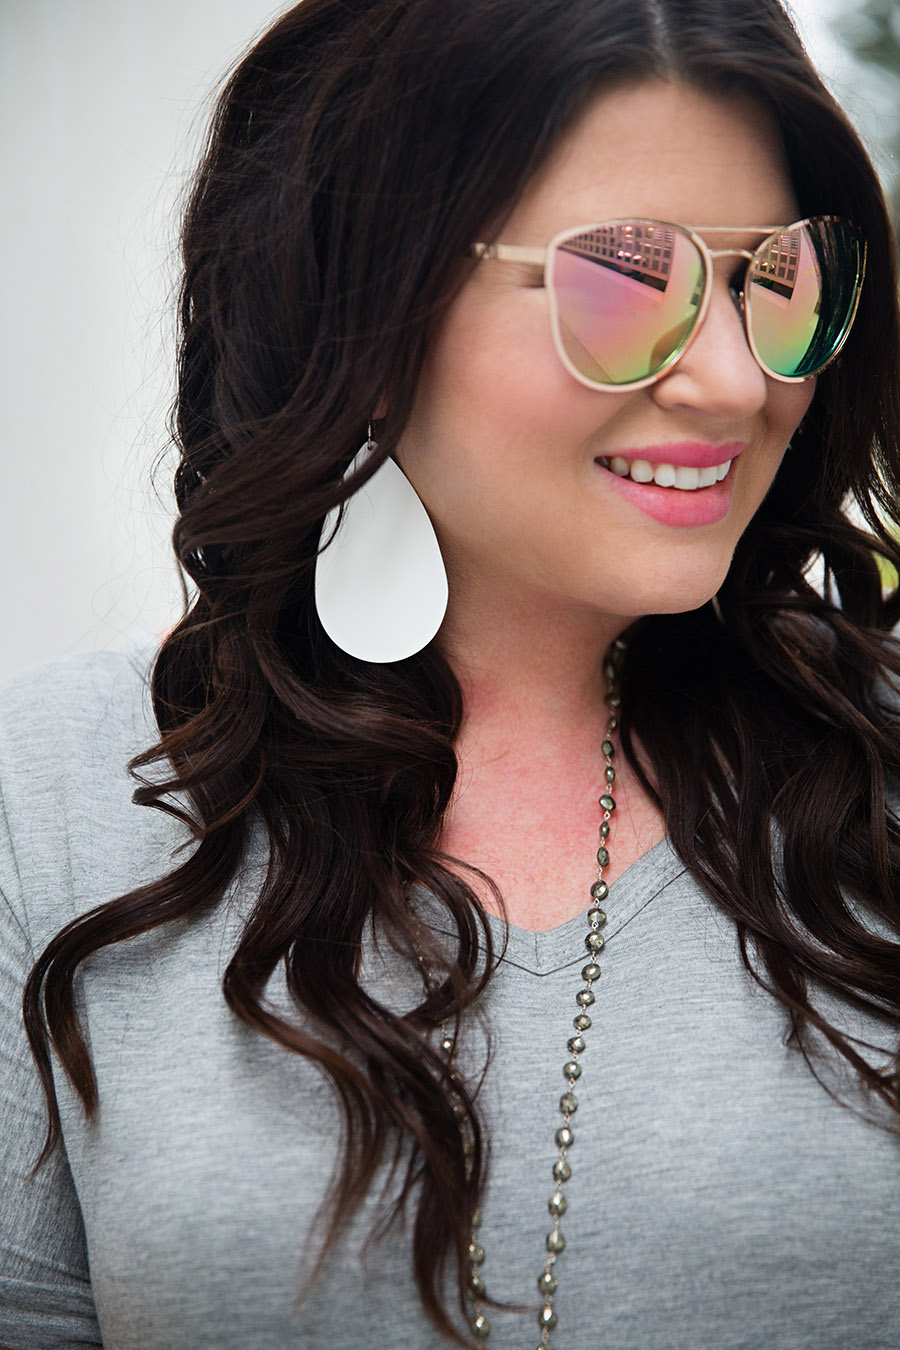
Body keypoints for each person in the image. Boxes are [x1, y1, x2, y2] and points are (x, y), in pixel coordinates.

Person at [2, 0, 899, 1345]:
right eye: (625, 279)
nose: (730, 382)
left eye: (775, 277)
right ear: (363, 308)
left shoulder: (876, 772)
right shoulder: (56, 788)